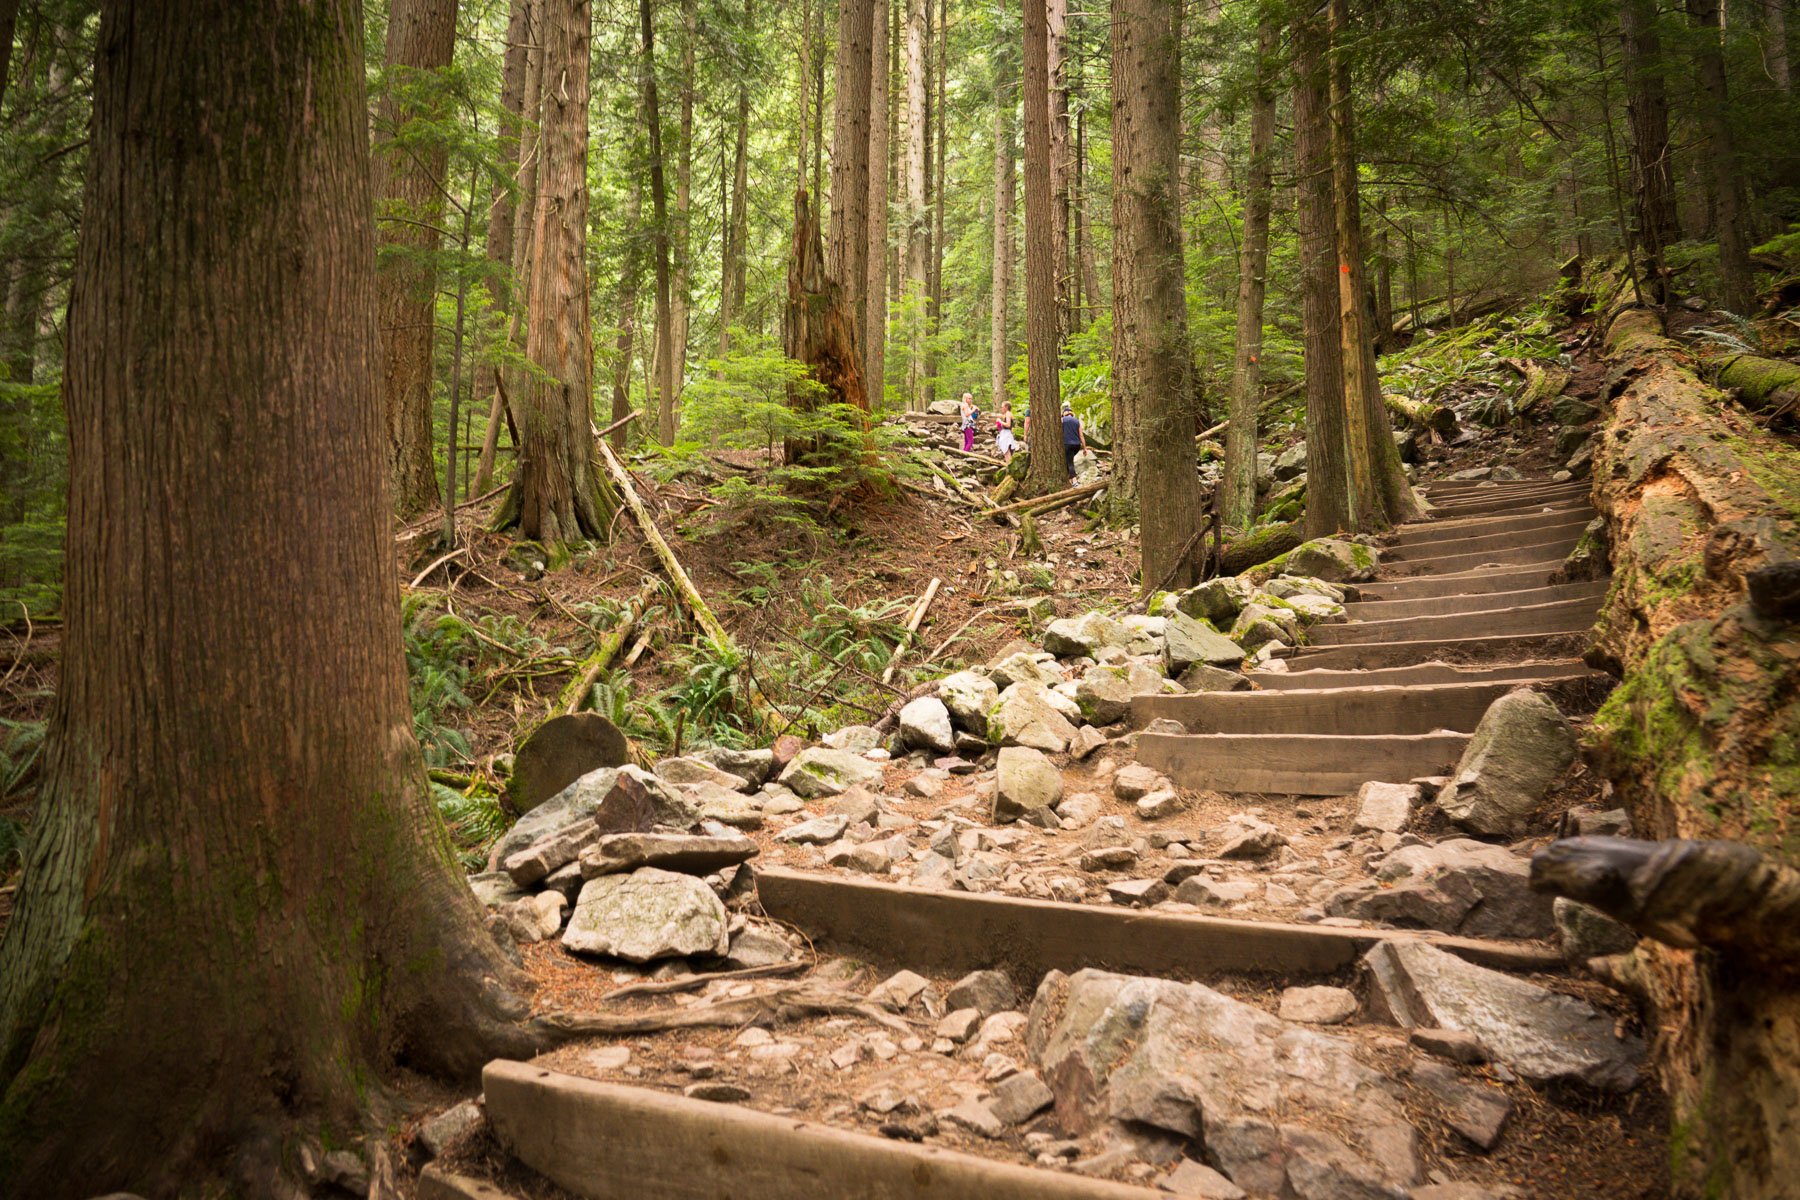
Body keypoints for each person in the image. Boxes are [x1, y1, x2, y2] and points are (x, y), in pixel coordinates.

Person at [1060, 403, 1085, 480]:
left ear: (1064, 413)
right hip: (1077, 445)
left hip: (1067, 444)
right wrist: (1085, 448)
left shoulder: (1062, 420)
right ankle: (1069, 476)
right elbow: (1081, 435)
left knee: (1070, 462)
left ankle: (1074, 480)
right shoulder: (1077, 421)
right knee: (1068, 459)